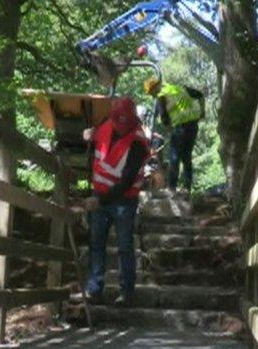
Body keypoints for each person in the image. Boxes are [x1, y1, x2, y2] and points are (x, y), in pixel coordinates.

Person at [82, 97, 148, 306]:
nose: (119, 129)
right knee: (96, 243)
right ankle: (94, 289)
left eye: (123, 125)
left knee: (124, 247)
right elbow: (96, 151)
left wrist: (99, 200)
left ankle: (127, 292)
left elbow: (127, 182)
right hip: (99, 194)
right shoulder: (105, 125)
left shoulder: (137, 143)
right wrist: (87, 138)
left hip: (123, 201)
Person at [144, 77, 204, 194]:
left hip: (180, 128)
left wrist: (170, 129)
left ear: (154, 88)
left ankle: (172, 189)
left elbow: (165, 119)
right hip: (193, 126)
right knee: (186, 158)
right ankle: (187, 188)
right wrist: (202, 111)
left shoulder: (161, 96)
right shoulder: (180, 88)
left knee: (174, 158)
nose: (152, 95)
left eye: (151, 93)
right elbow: (200, 95)